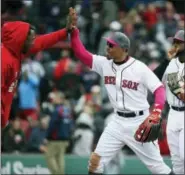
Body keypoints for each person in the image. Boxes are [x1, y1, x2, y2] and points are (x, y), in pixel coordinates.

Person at [69, 8, 172, 175]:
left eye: (111, 45)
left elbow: (159, 89)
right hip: (117, 122)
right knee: (95, 163)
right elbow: (81, 54)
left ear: (124, 49)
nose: (107, 47)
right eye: (108, 44)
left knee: (158, 169)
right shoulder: (104, 64)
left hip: (139, 121)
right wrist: (74, 33)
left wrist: (156, 112)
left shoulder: (139, 68)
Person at [1, 8, 77, 128]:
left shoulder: (16, 51)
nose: (33, 43)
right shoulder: (4, 60)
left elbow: (42, 42)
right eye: (31, 40)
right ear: (20, 40)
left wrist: (65, 31)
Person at [162, 30, 184, 174]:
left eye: (179, 42)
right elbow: (154, 79)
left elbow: (182, 95)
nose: (175, 44)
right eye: (174, 42)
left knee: (184, 155)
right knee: (176, 161)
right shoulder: (171, 64)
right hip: (172, 114)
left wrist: (175, 87)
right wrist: (166, 60)